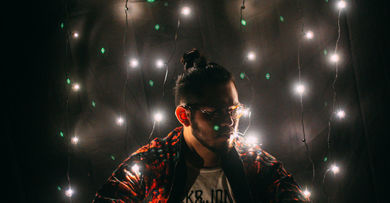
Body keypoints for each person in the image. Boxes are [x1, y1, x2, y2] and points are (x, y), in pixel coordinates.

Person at [93, 48, 309, 203]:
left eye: (233, 111)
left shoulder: (253, 161)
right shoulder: (155, 162)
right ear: (184, 115)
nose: (228, 122)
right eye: (213, 113)